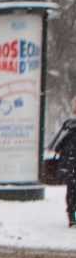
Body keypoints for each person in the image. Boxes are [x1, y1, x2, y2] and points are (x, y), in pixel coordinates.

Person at [50, 96, 76, 227]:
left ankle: (72, 216)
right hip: (70, 165)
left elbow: (55, 145)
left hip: (70, 166)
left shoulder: (68, 126)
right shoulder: (68, 126)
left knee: (71, 191)